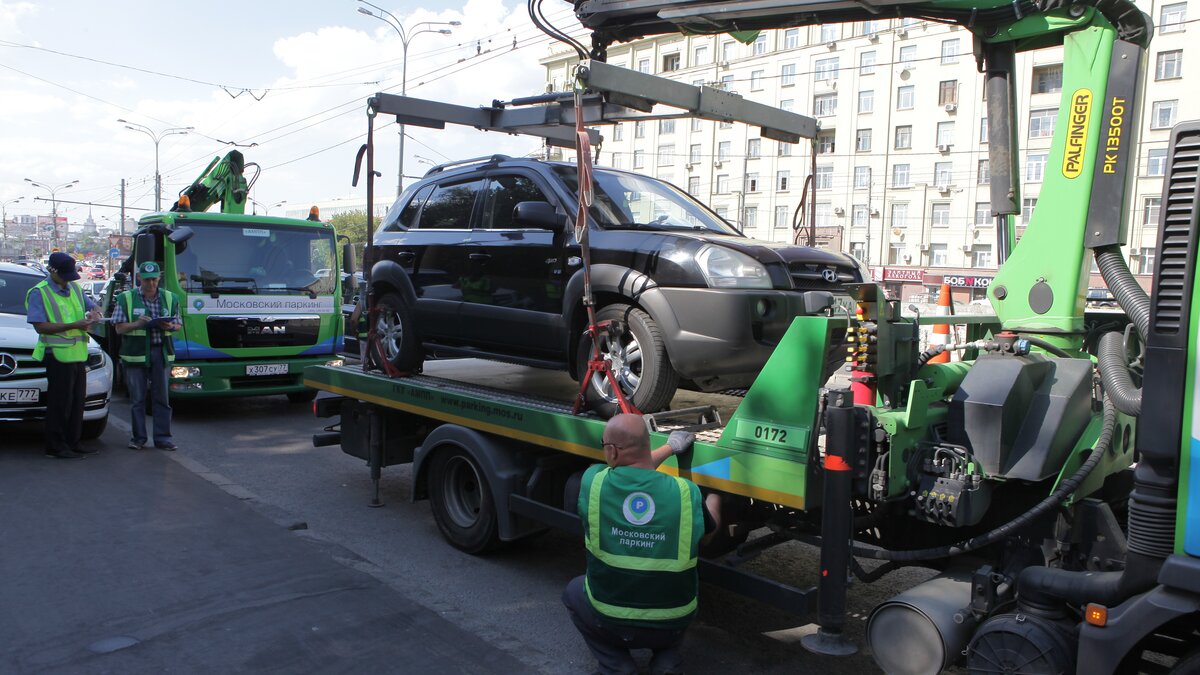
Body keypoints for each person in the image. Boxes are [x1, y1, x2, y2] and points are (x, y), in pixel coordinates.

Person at [563, 414, 717, 675]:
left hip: (610, 621)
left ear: (611, 451)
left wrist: (667, 449)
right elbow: (709, 537)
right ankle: (667, 660)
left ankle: (617, 666)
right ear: (646, 444)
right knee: (678, 595)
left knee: (573, 591)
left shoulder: (594, 482)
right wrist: (717, 497)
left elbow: (632, 467)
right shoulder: (686, 491)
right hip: (672, 625)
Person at [25, 252, 103, 459]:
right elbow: (40, 326)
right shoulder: (39, 292)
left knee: (77, 402)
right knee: (60, 403)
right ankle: (56, 446)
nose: (69, 280)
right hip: (58, 356)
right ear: (52, 271)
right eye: (65, 275)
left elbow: (93, 306)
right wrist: (73, 325)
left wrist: (96, 312)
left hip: (78, 355)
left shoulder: (75, 288)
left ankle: (72, 442)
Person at [112, 261, 181, 451]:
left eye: (154, 279)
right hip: (135, 354)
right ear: (139, 278)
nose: (151, 283)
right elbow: (118, 328)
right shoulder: (126, 298)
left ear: (159, 278)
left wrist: (170, 326)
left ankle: (163, 439)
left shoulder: (170, 298)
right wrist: (137, 324)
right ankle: (138, 438)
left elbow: (178, 325)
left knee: (162, 399)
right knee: (138, 399)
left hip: (161, 352)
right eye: (147, 279)